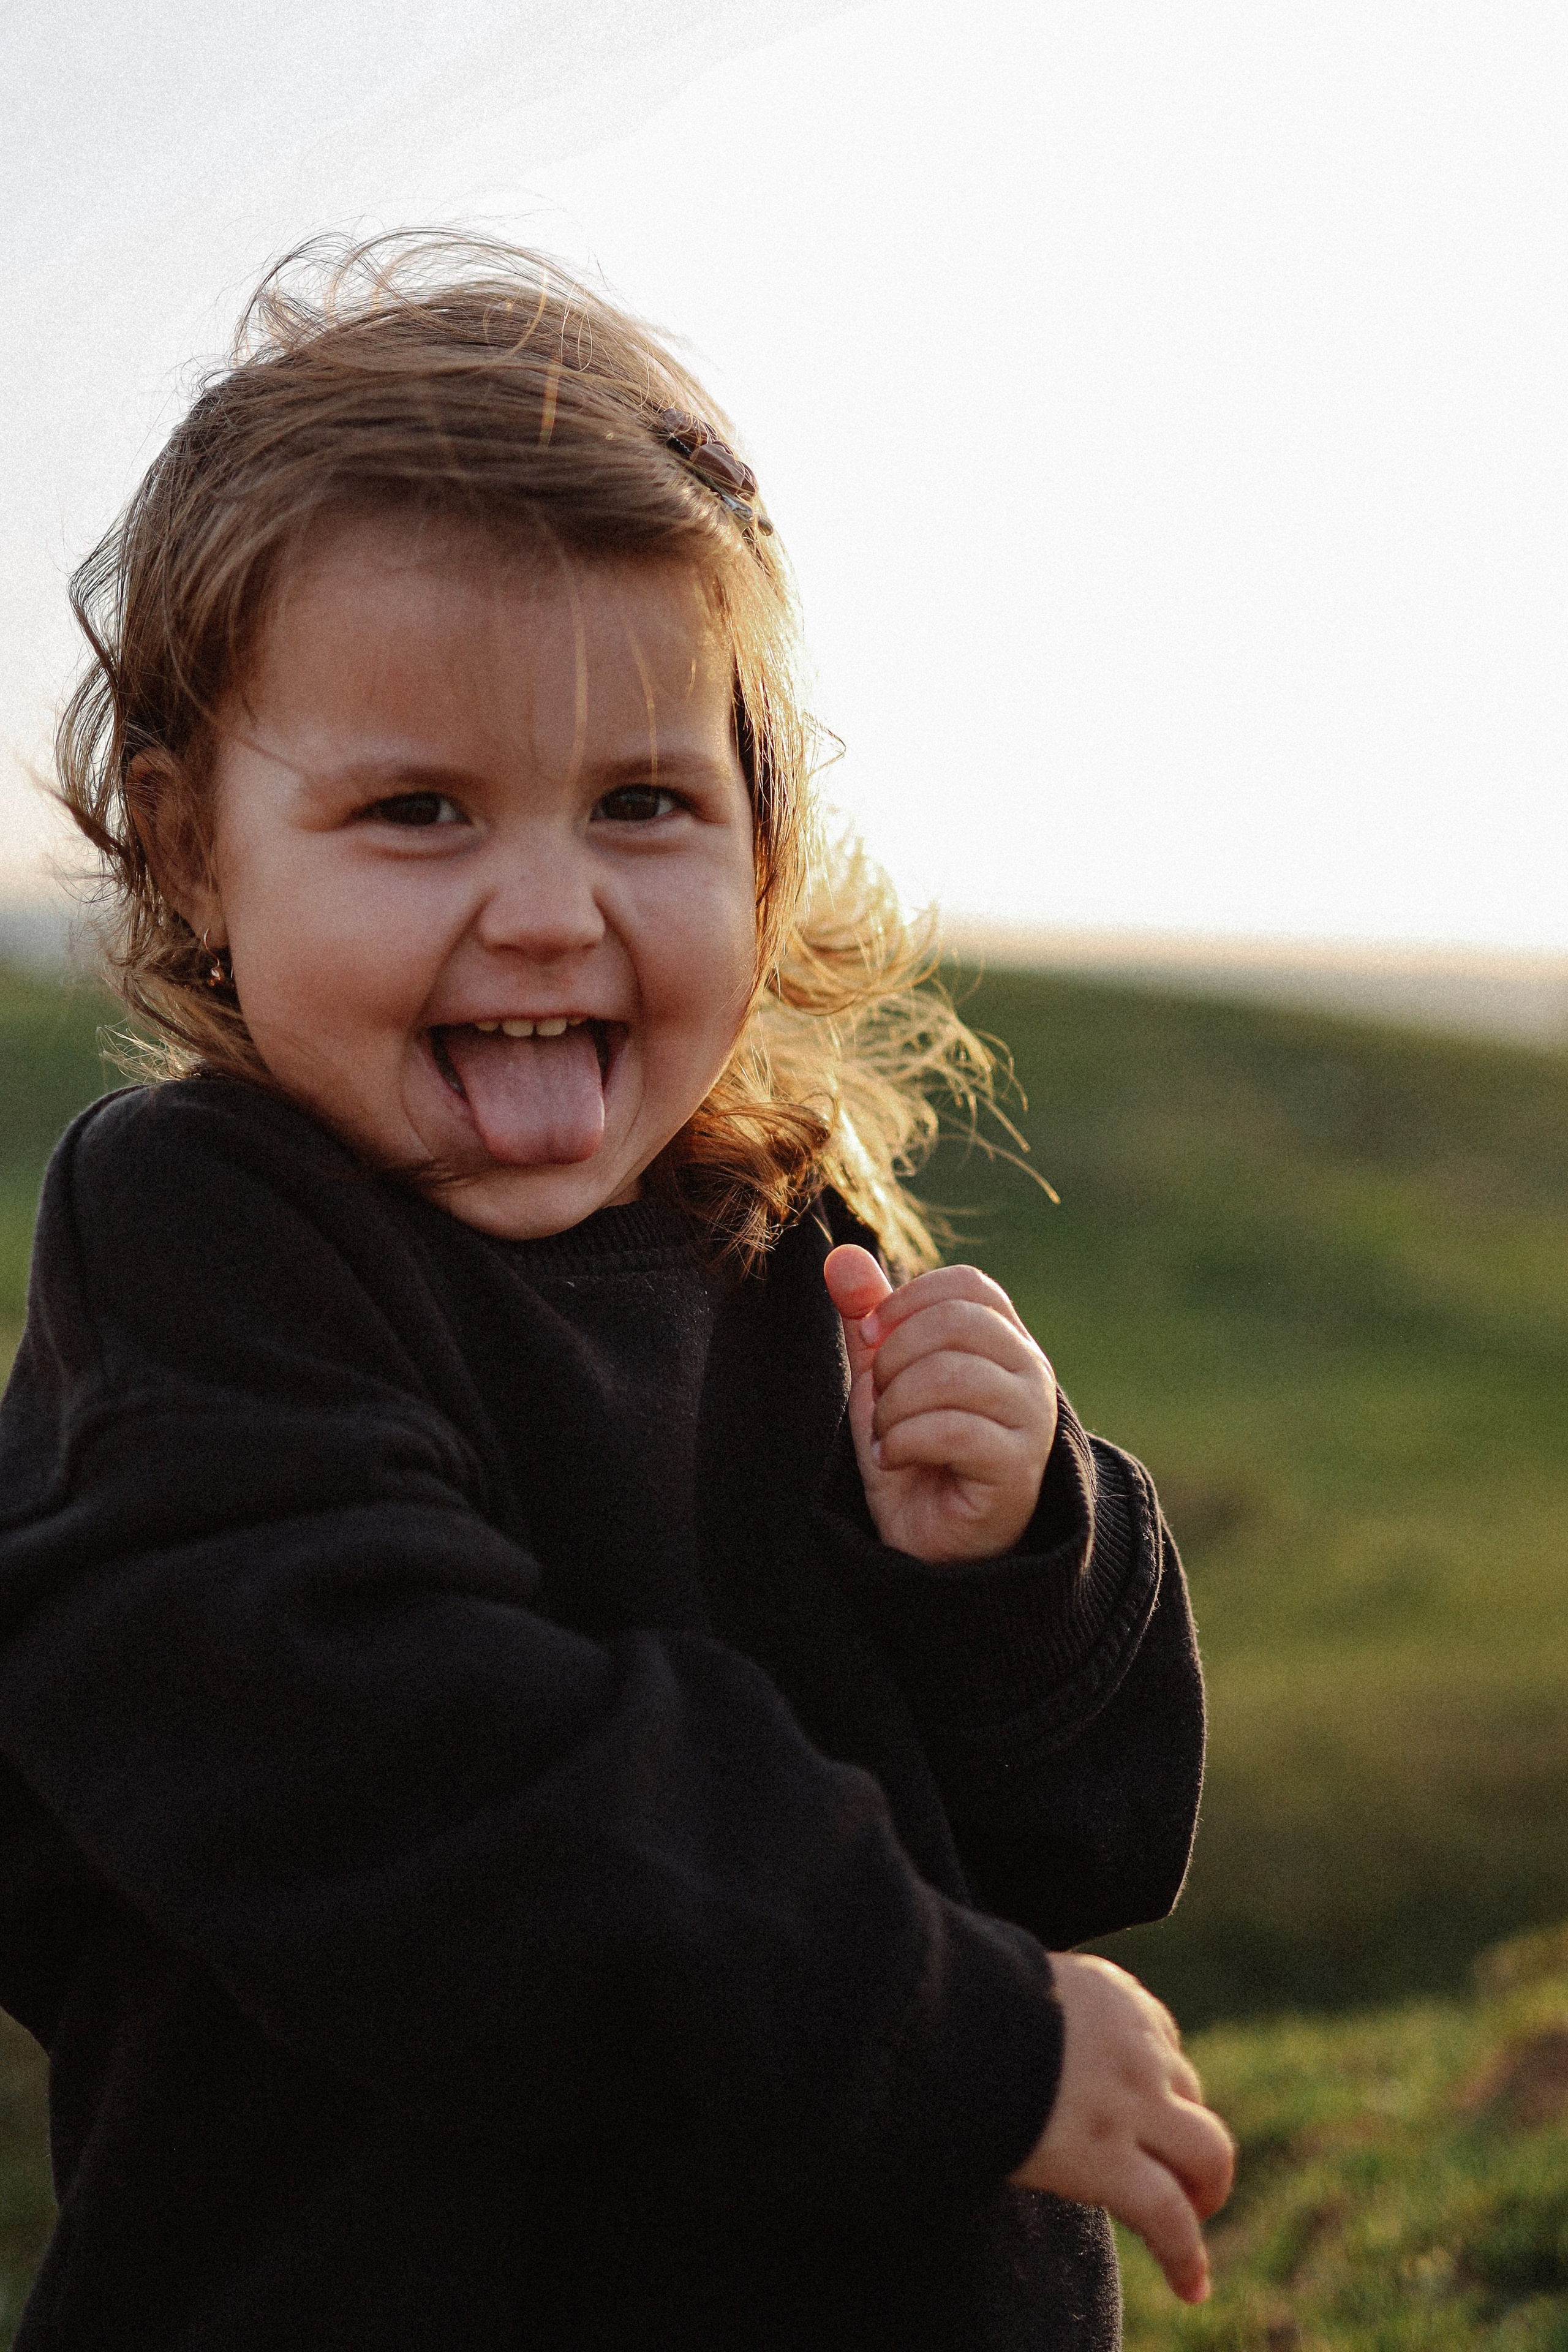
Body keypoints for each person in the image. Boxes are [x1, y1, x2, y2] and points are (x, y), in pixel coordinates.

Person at [0, 235, 1232, 2351]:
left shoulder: (781, 1229)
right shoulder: (206, 1238)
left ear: (762, 839)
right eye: (418, 810)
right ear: (196, 848)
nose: (552, 908)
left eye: (645, 801)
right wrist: (954, 2033)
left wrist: (1015, 1555)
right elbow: (399, 1776)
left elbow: (1077, 1840)